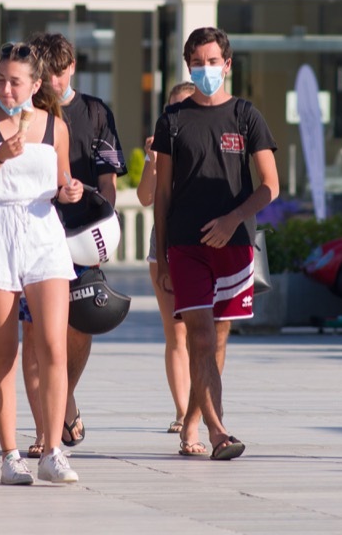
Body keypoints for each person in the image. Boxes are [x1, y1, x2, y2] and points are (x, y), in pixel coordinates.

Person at [0, 42, 84, 486]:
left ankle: (53, 449)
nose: (6, 89)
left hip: (44, 231)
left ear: (35, 84)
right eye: (1, 81)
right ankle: (10, 453)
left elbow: (63, 182)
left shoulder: (55, 127)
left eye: (16, 81)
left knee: (53, 345)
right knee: (3, 350)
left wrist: (71, 191)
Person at [152, 26, 278, 461]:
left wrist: (232, 219)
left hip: (235, 245)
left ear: (227, 65)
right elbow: (163, 193)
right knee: (200, 337)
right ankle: (219, 430)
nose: (205, 69)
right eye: (196, 62)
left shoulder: (246, 116)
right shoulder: (172, 119)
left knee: (217, 341)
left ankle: (193, 418)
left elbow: (270, 186)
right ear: (188, 65)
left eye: (212, 61)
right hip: (186, 244)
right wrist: (164, 255)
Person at [19, 32, 126, 454]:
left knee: (80, 329)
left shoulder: (95, 113)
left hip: (82, 238)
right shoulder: (26, 115)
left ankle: (65, 398)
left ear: (73, 69)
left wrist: (103, 225)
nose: (54, 83)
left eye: (60, 74)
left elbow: (108, 182)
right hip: (35, 233)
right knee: (36, 336)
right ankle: (46, 433)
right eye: (46, 76)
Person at [136, 81, 196, 435]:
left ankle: (203, 408)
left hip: (204, 245)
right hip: (164, 247)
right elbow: (145, 197)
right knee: (176, 333)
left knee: (204, 333)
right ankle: (183, 410)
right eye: (172, 108)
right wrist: (151, 160)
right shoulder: (161, 148)